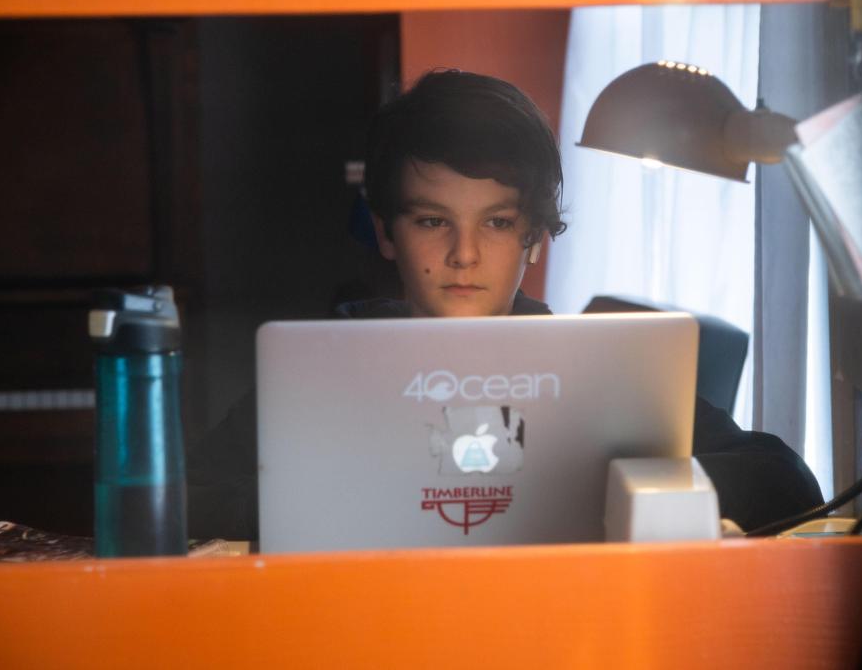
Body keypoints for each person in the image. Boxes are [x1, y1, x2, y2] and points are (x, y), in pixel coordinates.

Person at [188, 69, 823, 540]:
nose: (465, 254)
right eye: (433, 222)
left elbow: (786, 479)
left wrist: (597, 488)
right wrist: (353, 498)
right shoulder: (322, 372)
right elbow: (186, 497)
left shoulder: (596, 368)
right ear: (385, 231)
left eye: (495, 223)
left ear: (536, 239)